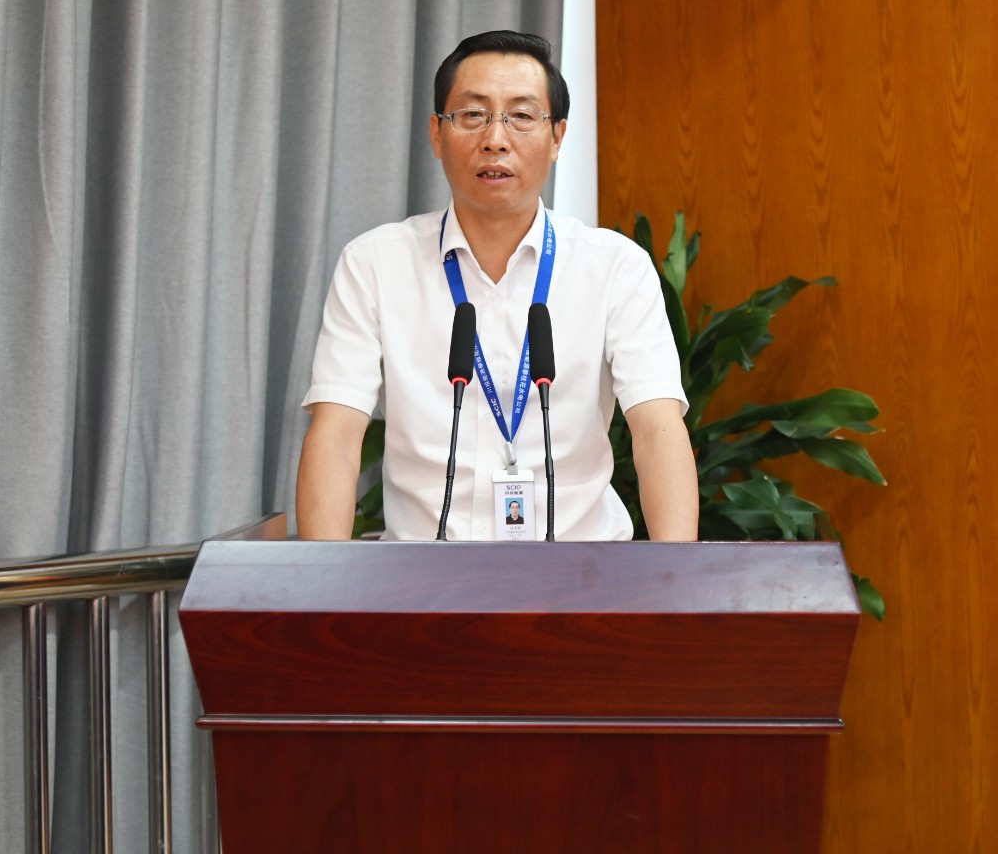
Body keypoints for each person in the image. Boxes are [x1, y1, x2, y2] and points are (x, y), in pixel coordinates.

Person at [295, 30, 698, 541]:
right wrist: (323, 584)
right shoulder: (374, 264)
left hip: (579, 573)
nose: (495, 139)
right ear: (437, 134)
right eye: (472, 114)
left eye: (522, 116)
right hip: (423, 578)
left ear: (557, 138)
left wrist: (676, 582)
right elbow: (336, 432)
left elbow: (657, 428)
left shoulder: (616, 267)